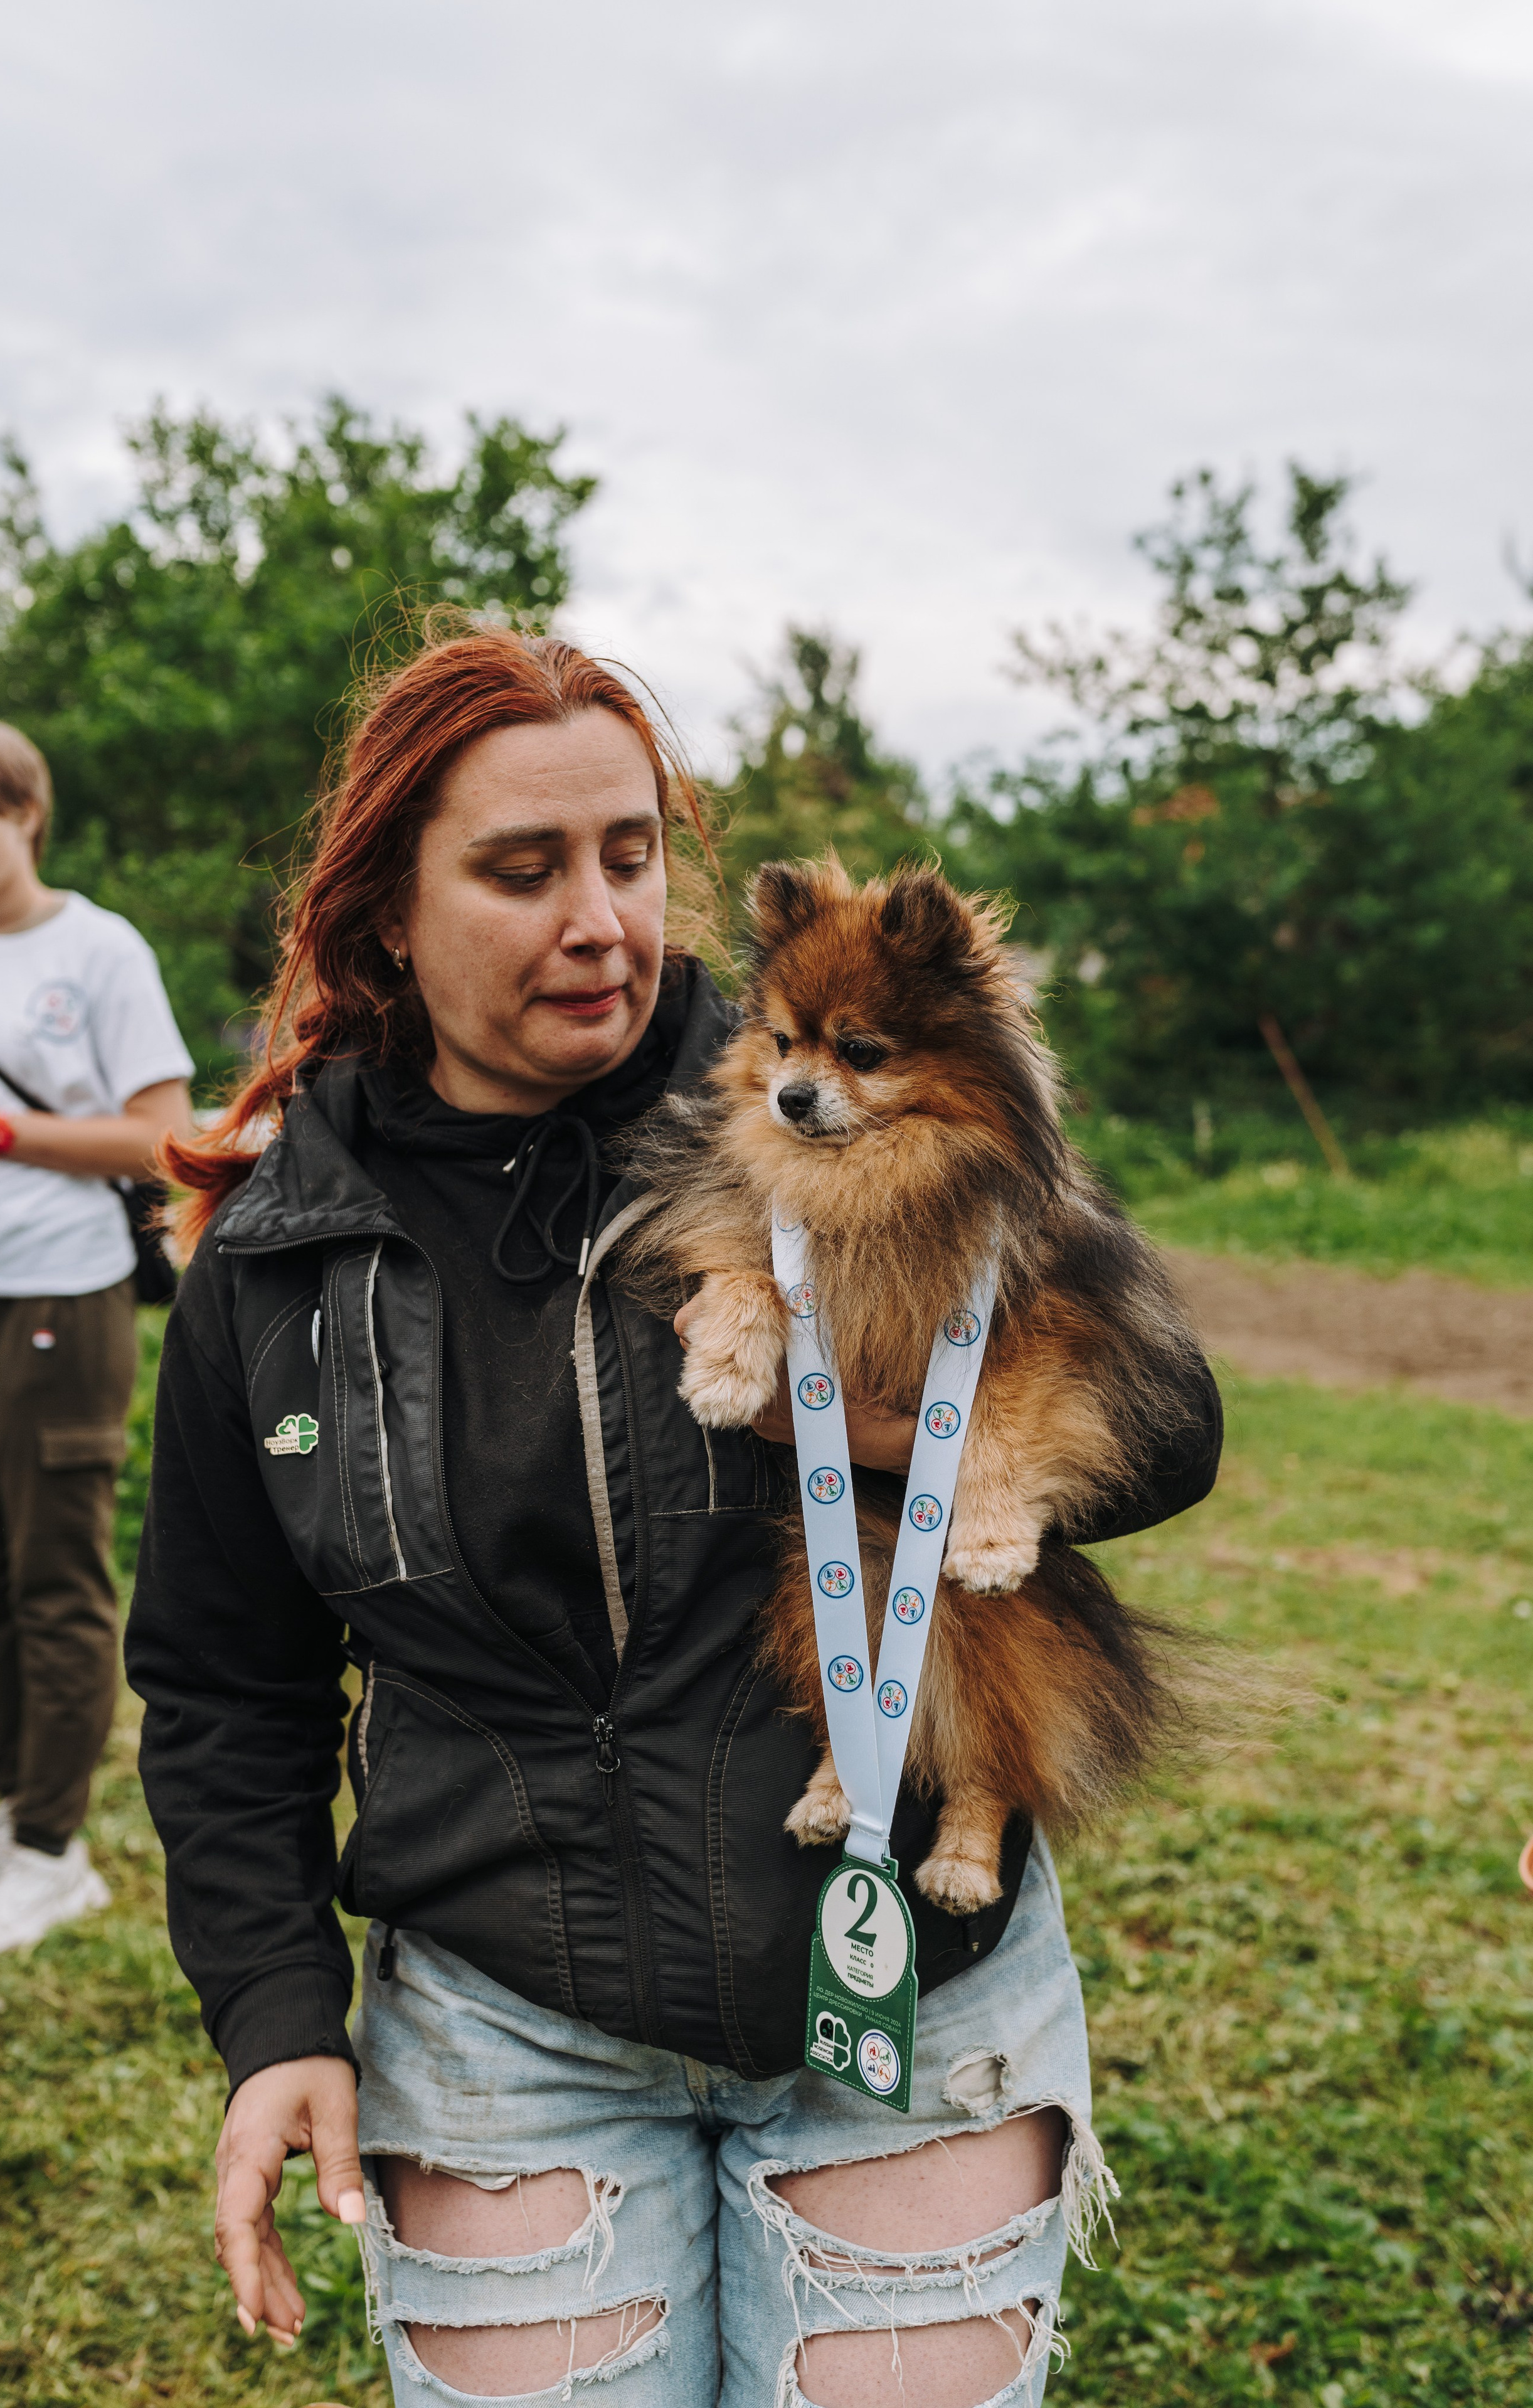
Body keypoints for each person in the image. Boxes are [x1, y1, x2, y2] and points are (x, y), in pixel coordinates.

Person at [125, 629, 1222, 2408]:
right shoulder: (278, 1256)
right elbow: (221, 1679)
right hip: (505, 2026)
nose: (600, 922)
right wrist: (271, 2015)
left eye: (628, 856)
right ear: (387, 913)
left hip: (904, 1979)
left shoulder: (842, 1115)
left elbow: (1171, 1424)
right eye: (521, 870)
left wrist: (879, 1411)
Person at [0, 715, 193, 1961]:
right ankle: (22, 1818)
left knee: (54, 1575)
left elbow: (164, 1136)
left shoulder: (99, 949)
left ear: (24, 813)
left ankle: (51, 1851)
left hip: (59, 1292)